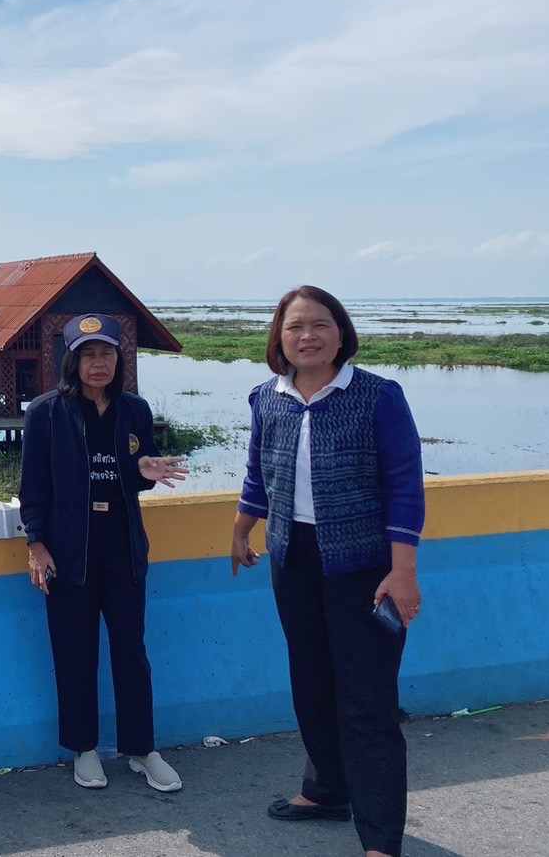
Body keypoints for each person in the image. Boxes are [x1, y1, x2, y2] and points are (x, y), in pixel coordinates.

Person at [231, 286, 425, 857]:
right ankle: (326, 790)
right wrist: (243, 530)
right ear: (279, 338)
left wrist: (403, 571)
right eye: (295, 327)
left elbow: (405, 488)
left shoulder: (377, 397)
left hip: (366, 567)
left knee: (366, 702)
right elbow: (257, 473)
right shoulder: (267, 398)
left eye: (320, 324)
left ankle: (381, 839)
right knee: (311, 683)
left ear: (341, 334)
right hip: (293, 559)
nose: (307, 336)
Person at [20, 314, 188, 793]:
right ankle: (84, 748)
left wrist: (147, 470)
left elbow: (137, 471)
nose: (99, 363)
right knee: (75, 653)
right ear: (71, 361)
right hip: (69, 551)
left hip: (123, 546)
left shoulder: (134, 409)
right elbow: (33, 489)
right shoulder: (46, 412)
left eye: (107, 353)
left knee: (131, 651)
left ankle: (142, 749)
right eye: (88, 354)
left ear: (120, 358)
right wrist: (36, 545)